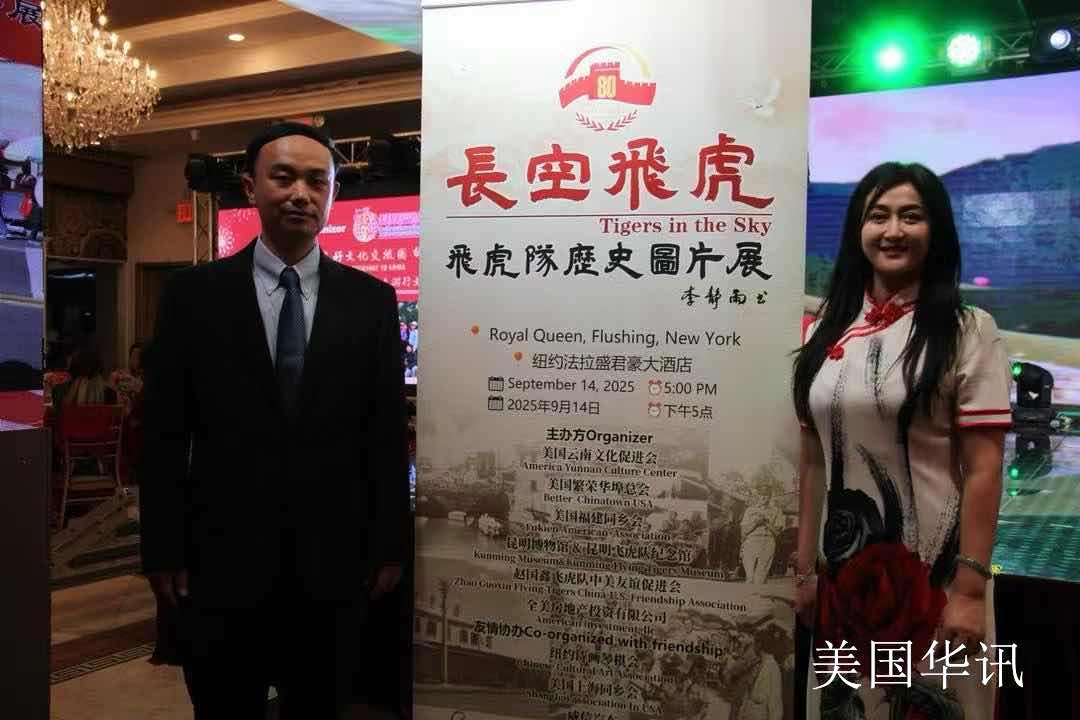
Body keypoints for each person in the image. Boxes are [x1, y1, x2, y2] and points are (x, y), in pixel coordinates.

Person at [140, 122, 410, 719]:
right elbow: (163, 434)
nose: (300, 194)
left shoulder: (370, 301)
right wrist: (161, 547)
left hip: (332, 563)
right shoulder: (193, 296)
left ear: (333, 194)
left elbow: (385, 433)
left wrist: (390, 543)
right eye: (283, 177)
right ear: (250, 187)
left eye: (317, 182)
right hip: (220, 561)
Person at [792, 163, 1009, 719]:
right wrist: (806, 570)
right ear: (857, 231)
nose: (893, 231)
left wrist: (969, 589)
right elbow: (813, 461)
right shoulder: (825, 330)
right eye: (878, 216)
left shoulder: (968, 330)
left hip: (935, 584)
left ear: (936, 231)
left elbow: (984, 468)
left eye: (911, 216)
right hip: (845, 584)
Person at [739, 489, 784, 585]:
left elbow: (777, 533)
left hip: (767, 541)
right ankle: (749, 594)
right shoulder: (750, 510)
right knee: (750, 577)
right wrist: (756, 523)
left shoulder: (776, 511)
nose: (763, 497)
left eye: (766, 495)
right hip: (751, 542)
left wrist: (766, 523)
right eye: (761, 495)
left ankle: (759, 593)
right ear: (757, 496)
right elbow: (744, 531)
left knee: (760, 578)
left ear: (770, 497)